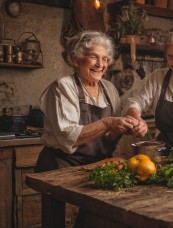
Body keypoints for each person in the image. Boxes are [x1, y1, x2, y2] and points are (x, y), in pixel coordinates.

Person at [35, 30, 138, 173]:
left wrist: (130, 126)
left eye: (105, 59)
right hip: (62, 167)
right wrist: (108, 123)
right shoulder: (63, 87)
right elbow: (68, 137)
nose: (100, 64)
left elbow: (111, 135)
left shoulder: (109, 89)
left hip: (97, 167)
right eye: (93, 57)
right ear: (76, 59)